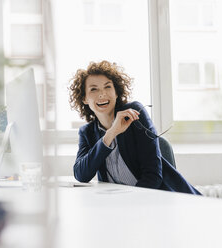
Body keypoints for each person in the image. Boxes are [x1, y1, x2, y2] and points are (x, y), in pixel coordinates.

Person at [69, 60, 201, 195]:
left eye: (108, 87)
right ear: (84, 99)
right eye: (93, 89)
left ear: (116, 92)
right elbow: (81, 175)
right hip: (119, 204)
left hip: (160, 198)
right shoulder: (87, 132)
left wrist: (131, 202)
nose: (102, 94)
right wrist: (110, 134)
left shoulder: (134, 113)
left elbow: (153, 176)